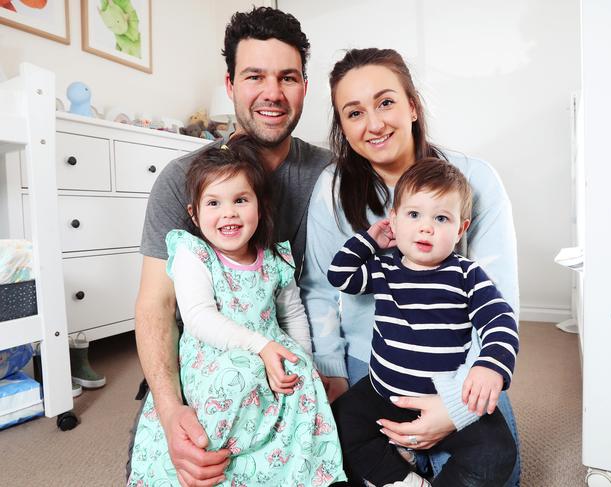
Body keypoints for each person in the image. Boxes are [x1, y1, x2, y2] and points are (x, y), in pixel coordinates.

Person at [128, 7, 331, 486]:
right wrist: (170, 408)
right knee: (177, 464)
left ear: (305, 85)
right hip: (210, 367)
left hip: (290, 364)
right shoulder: (183, 181)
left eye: (288, 77)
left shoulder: (331, 174)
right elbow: (156, 305)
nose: (272, 93)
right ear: (230, 84)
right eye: (254, 76)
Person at [299, 48, 522, 484]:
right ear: (342, 126)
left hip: (458, 364)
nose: (375, 124)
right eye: (354, 112)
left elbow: (500, 305)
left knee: (500, 467)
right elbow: (324, 286)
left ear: (413, 106)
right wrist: (334, 372)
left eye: (386, 102)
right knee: (332, 447)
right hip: (375, 363)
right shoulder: (333, 188)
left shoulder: (475, 179)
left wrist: (455, 406)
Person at [128, 138, 346, 486]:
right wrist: (259, 346)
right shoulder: (193, 254)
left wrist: (303, 359)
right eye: (214, 202)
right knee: (239, 373)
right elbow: (198, 317)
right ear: (194, 214)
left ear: (260, 207)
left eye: (240, 200)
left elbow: (292, 315)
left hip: (270, 347)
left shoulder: (275, 259)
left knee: (303, 375)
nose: (228, 212)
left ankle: (294, 470)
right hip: (218, 351)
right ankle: (218, 460)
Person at [328, 160, 518, 486]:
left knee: (498, 452)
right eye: (414, 215)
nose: (426, 227)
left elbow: (500, 318)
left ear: (460, 229)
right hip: (384, 393)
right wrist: (371, 239)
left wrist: (491, 365)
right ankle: (403, 478)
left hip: (448, 398)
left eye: (441, 218)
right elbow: (341, 276)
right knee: (338, 422)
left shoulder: (466, 275)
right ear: (395, 220)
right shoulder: (384, 269)